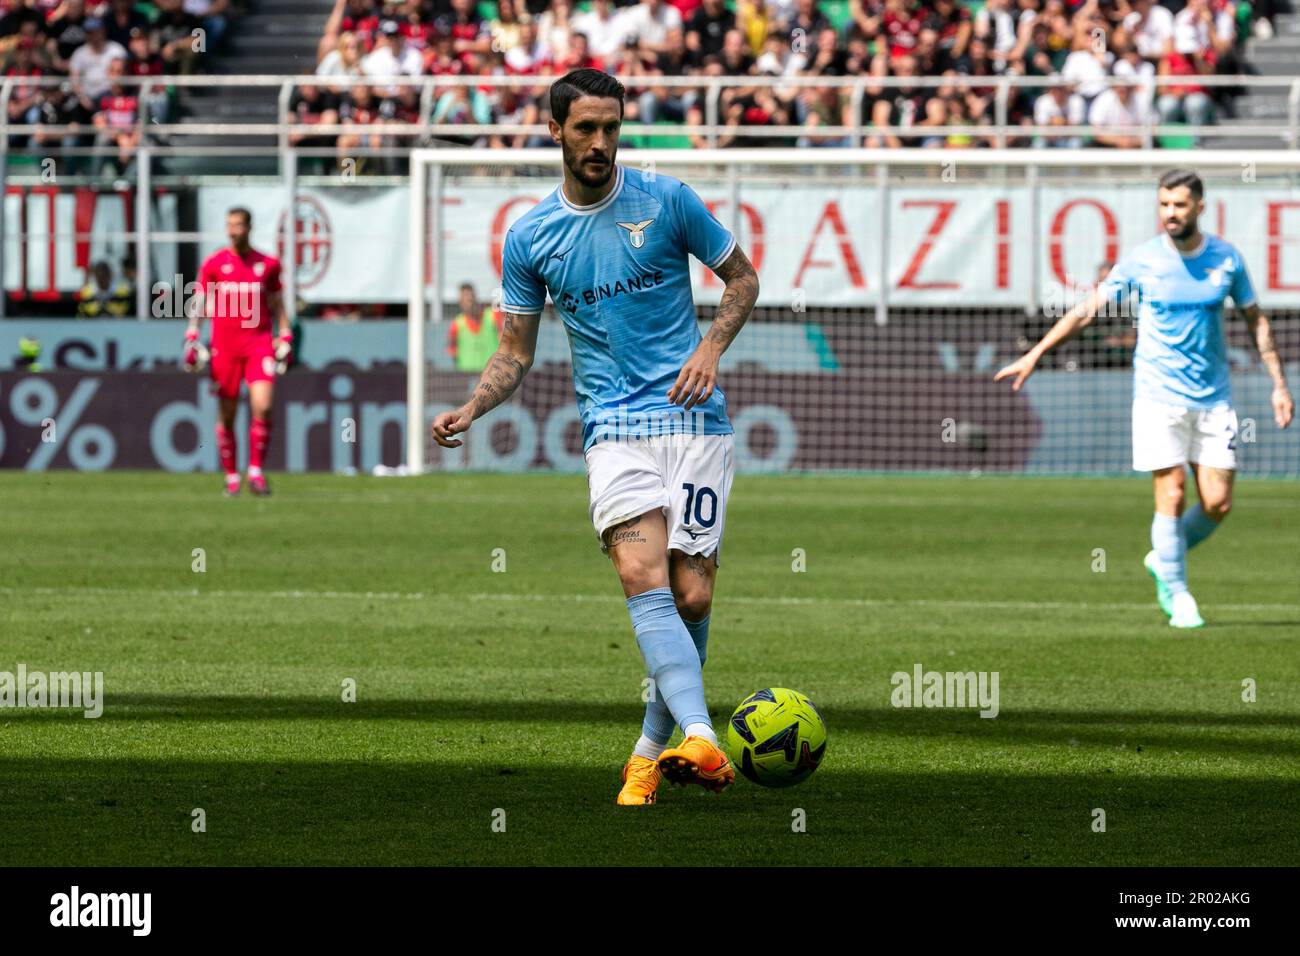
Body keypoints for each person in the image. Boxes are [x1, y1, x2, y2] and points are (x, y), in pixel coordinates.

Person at [431, 69, 760, 805]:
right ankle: (702, 736)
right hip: (614, 428)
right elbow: (515, 351)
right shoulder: (531, 236)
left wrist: (709, 350)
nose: (601, 143)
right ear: (555, 130)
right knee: (642, 576)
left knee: (694, 597)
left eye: (611, 128)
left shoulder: (667, 200)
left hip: (694, 420)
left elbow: (742, 280)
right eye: (585, 128)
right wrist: (472, 408)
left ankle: (648, 752)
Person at [995, 169, 1293, 628]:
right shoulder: (1143, 260)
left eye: (1179, 205)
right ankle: (1179, 594)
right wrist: (1036, 352)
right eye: (1164, 205)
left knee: (1217, 503)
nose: (1170, 214)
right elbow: (1089, 309)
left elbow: (1256, 320)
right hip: (1158, 395)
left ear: (1199, 206)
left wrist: (1279, 384)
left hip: (1214, 398)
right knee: (1171, 493)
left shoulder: (1226, 260)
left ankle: (1162, 557)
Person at [186, 207, 291, 497]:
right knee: (228, 412)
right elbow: (200, 299)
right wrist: (192, 335)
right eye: (229, 225)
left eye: (238, 225)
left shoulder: (267, 264)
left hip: (258, 344)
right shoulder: (215, 263)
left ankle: (255, 472)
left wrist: (285, 334)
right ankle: (232, 476)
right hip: (225, 346)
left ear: (249, 228)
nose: (232, 230)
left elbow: (276, 302)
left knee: (264, 406)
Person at [447, 283, 503, 372]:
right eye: (466, 300)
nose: (470, 303)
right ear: (460, 303)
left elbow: (504, 341)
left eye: (471, 298)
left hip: (492, 375)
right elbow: (452, 351)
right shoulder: (456, 324)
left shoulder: (493, 316)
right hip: (466, 377)